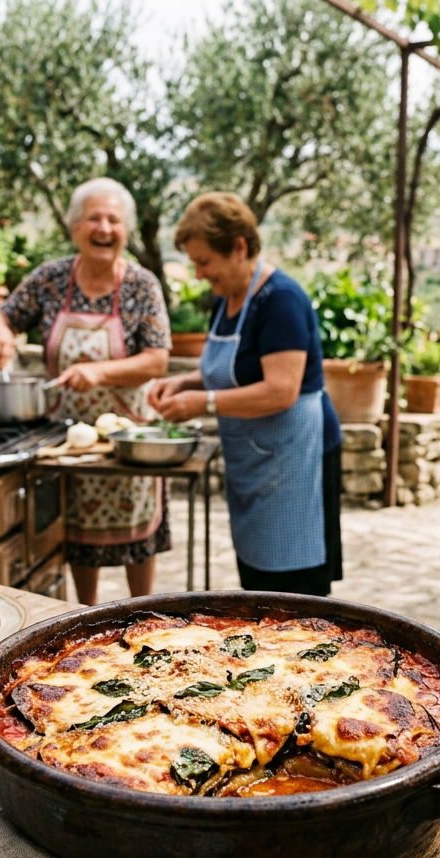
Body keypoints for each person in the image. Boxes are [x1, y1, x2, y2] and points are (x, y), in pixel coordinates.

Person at [0, 178, 171, 605]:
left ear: (126, 229)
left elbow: (157, 360)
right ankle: (84, 615)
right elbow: (1, 315)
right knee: (77, 536)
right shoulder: (51, 279)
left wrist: (100, 372)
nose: (104, 227)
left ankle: (144, 615)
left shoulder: (142, 285)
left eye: (114, 219)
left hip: (126, 440)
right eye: (94, 218)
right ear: (73, 228)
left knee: (136, 540)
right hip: (66, 440)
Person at [148, 192, 343, 596]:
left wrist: (201, 403)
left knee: (296, 595)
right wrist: (183, 383)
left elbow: (281, 389)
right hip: (257, 464)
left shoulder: (281, 300)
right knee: (258, 586)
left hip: (296, 464)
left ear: (238, 248)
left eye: (204, 262)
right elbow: (235, 372)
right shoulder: (230, 298)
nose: (199, 273)